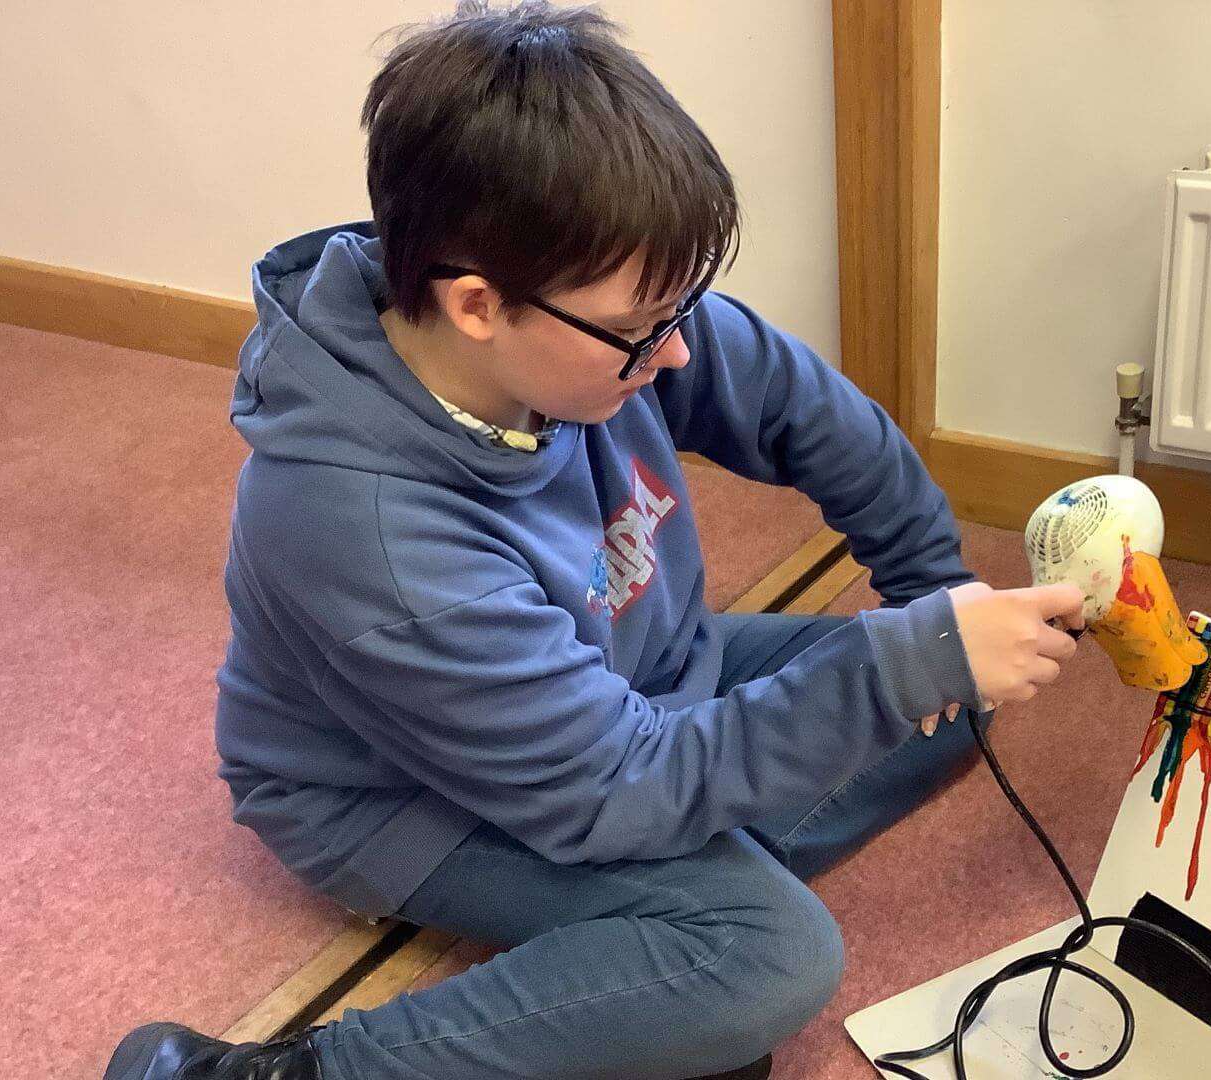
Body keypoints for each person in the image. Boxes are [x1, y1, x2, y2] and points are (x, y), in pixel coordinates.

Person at [104, 4, 1081, 1078]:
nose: (675, 354)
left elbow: (813, 415)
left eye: (680, 309)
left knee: (950, 688)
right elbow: (610, 787)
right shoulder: (363, 530)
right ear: (477, 305)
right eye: (645, 326)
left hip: (629, 684)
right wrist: (884, 676)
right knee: (771, 953)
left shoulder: (594, 308)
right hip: (399, 798)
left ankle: (656, 956)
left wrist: (932, 597)